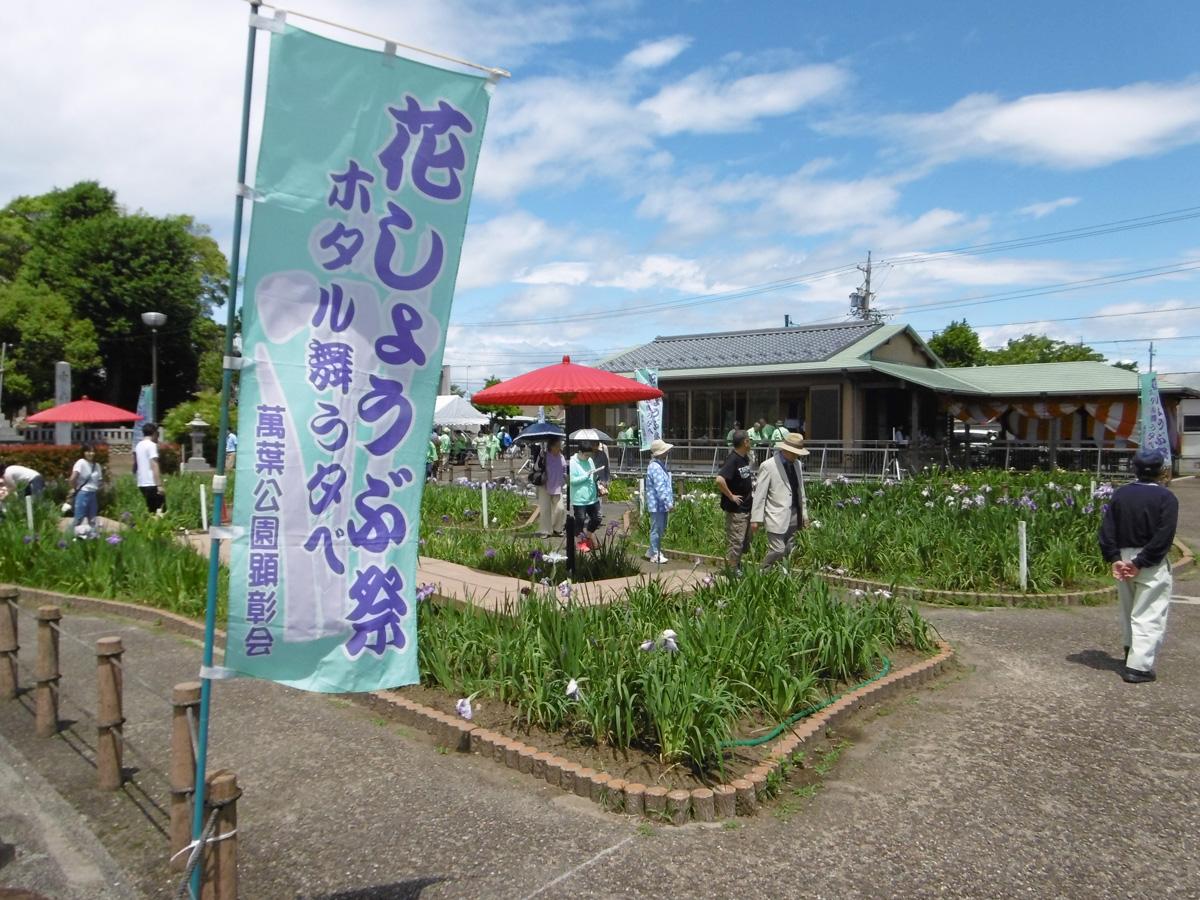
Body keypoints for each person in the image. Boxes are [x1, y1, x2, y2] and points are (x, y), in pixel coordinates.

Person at [1098, 448, 1179, 683]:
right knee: (1149, 613)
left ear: (1134, 468)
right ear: (1160, 471)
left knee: (1128, 609)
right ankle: (1139, 666)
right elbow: (1164, 536)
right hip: (1149, 561)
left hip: (1122, 557)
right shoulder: (1166, 498)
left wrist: (1115, 558)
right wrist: (1140, 562)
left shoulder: (1121, 494)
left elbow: (1107, 530)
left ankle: (1129, 649)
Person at [751, 432, 809, 570]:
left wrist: (805, 515)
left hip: (795, 514)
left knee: (790, 549)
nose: (796, 455)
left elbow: (801, 490)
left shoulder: (797, 465)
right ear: (785, 449)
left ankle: (781, 578)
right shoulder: (768, 466)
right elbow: (760, 494)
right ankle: (762, 573)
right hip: (776, 515)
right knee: (778, 549)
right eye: (794, 452)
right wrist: (755, 519)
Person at [716, 430, 754, 572]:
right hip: (736, 509)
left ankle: (736, 565)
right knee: (736, 540)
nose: (750, 442)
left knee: (744, 541)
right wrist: (731, 496)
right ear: (745, 442)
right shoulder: (733, 459)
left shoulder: (744, 458)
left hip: (746, 507)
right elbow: (719, 480)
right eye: (749, 440)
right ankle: (731, 570)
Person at [569, 441, 603, 551]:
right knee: (580, 520)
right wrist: (586, 476)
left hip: (592, 496)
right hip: (579, 498)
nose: (588, 457)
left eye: (590, 455)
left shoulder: (589, 460)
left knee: (597, 518)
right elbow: (572, 481)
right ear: (580, 452)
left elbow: (593, 476)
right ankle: (580, 542)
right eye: (586, 455)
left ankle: (588, 536)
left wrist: (598, 483)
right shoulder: (573, 462)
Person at [644, 438, 674, 563]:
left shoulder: (658, 465)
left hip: (659, 504)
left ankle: (652, 550)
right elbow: (660, 487)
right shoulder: (655, 467)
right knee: (657, 528)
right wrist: (668, 502)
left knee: (659, 527)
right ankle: (655, 553)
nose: (667, 452)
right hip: (657, 504)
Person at [535, 438, 566, 537]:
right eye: (557, 445)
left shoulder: (561, 457)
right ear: (551, 447)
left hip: (557, 486)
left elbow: (564, 470)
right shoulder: (544, 456)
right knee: (545, 509)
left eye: (559, 445)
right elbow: (536, 468)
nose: (559, 447)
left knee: (560, 508)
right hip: (545, 485)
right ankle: (545, 531)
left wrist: (565, 481)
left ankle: (557, 528)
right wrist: (541, 461)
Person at [70, 443, 103, 535]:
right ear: (84, 452)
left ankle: (92, 537)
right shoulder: (81, 462)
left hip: (93, 494)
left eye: (93, 451)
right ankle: (71, 537)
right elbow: (72, 478)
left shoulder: (97, 466)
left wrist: (98, 487)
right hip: (83, 493)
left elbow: (100, 480)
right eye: (88, 451)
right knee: (79, 518)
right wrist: (75, 488)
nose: (91, 454)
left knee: (92, 518)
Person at [135, 423, 166, 514]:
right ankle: (159, 527)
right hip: (151, 482)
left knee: (151, 510)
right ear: (154, 433)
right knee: (161, 510)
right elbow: (154, 465)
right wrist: (159, 485)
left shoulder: (139, 445)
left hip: (142, 483)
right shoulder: (151, 445)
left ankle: (151, 527)